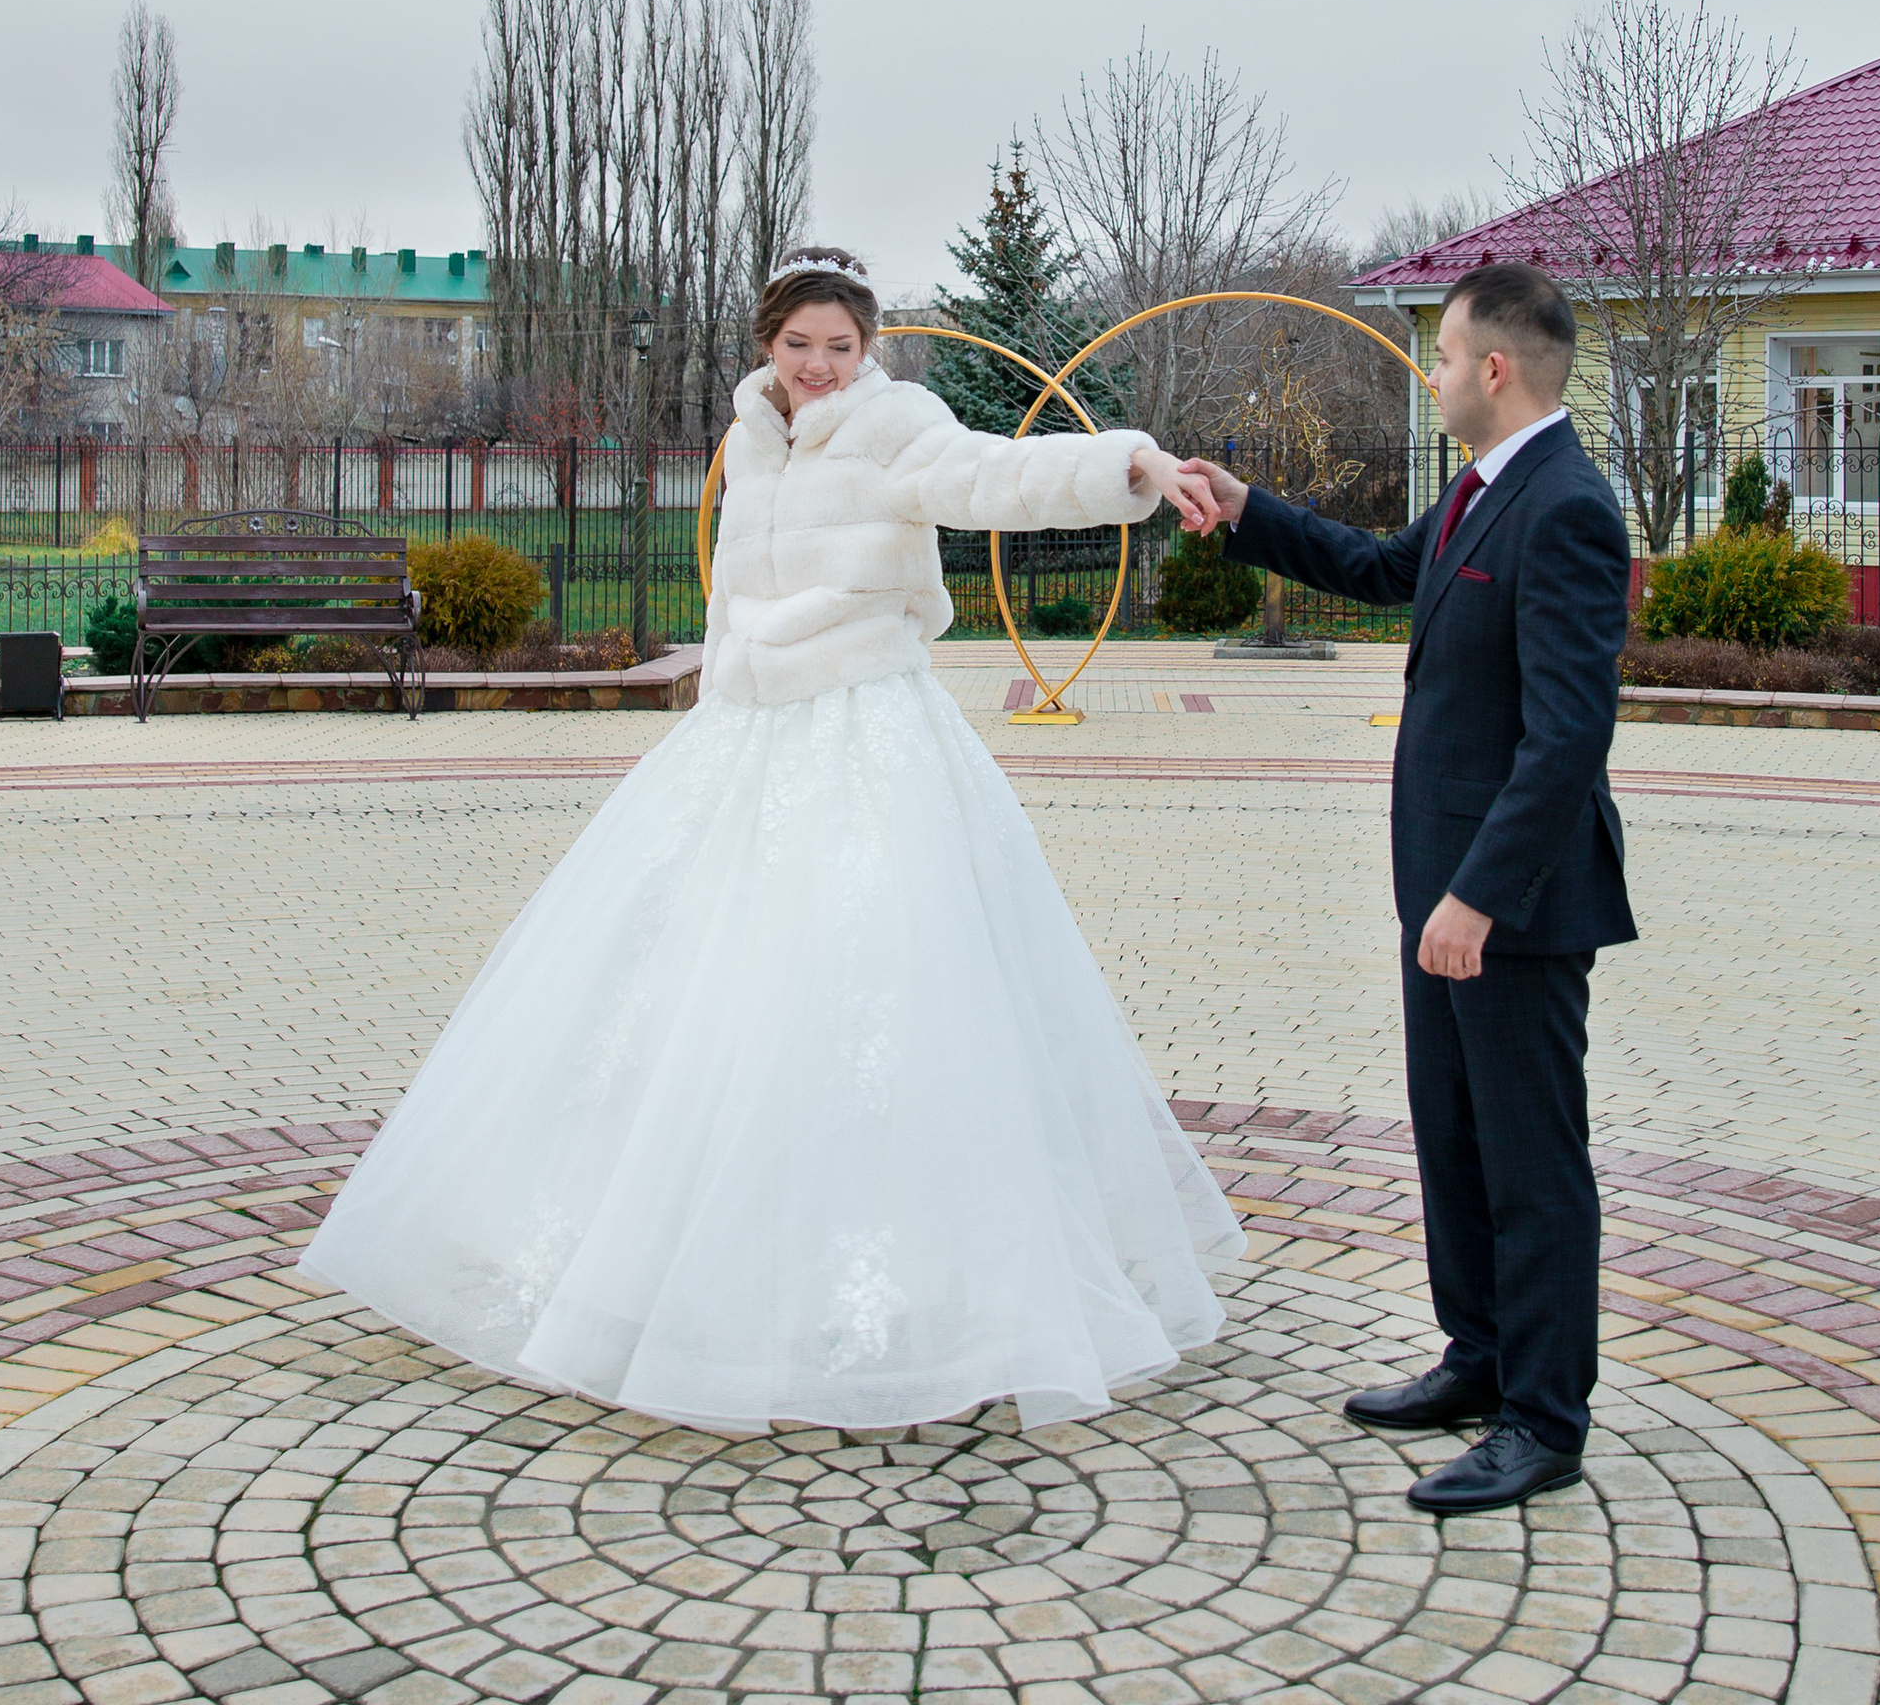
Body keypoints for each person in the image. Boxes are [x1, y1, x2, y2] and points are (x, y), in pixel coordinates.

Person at [301, 247, 1241, 1433]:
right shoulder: (750, 434)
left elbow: (997, 477)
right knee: (694, 980)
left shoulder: (900, 423)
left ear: (870, 347)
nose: (819, 367)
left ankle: (923, 1273)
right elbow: (734, 588)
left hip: (863, 730)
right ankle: (663, 1259)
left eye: (841, 346)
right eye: (800, 345)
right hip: (742, 736)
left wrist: (1130, 463)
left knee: (872, 982)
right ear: (766, 343)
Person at [1174, 260, 1632, 1513]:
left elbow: (1565, 737)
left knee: (1533, 1165)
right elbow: (1379, 568)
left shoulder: (1568, 507)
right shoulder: (1483, 491)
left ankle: (1543, 1419)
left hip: (1509, 909)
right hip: (1437, 891)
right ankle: (1477, 1359)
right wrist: (1248, 506)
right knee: (1455, 1141)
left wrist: (1480, 895)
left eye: (1437, 356)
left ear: (1493, 368)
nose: (1428, 376)